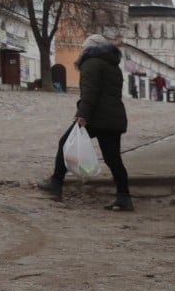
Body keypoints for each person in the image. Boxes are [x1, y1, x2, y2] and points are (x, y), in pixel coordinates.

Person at [38, 34, 133, 211]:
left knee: (65, 143)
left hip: (95, 117)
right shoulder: (113, 66)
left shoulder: (91, 64)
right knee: (113, 159)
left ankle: (56, 182)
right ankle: (124, 197)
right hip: (114, 119)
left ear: (90, 49)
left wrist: (82, 114)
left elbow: (90, 91)